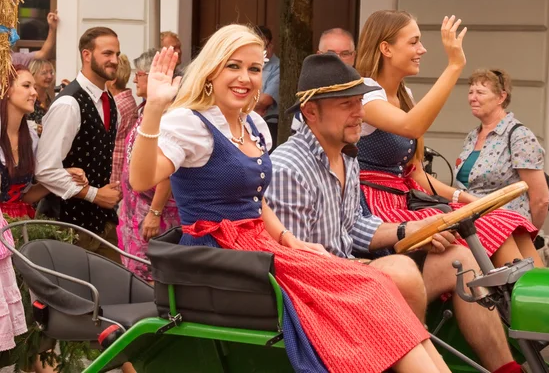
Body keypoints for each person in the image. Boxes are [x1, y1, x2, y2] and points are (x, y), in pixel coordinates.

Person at [129, 25, 452, 373]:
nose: (246, 78)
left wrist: (289, 239)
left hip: (259, 246)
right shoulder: (190, 123)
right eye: (233, 66)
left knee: (376, 285)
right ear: (211, 70)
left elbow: (254, 200)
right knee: (366, 288)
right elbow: (142, 178)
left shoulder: (252, 124)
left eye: (254, 69)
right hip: (218, 255)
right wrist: (156, 108)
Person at [267, 52, 523, 373]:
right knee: (399, 270)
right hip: (318, 299)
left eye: (360, 102)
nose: (360, 113)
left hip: (346, 279)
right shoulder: (290, 167)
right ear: (311, 112)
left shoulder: (346, 156)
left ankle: (506, 368)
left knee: (459, 260)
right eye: (347, 104)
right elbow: (298, 266)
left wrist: (412, 231)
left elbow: (356, 226)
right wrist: (365, 266)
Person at [353, 10, 542, 269]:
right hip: (374, 209)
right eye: (413, 42)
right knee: (486, 229)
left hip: (404, 200)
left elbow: (416, 175)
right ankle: (517, 302)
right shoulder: (365, 92)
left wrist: (471, 201)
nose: (422, 49)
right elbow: (411, 126)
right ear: (385, 48)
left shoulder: (404, 94)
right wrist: (454, 66)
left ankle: (532, 303)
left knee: (506, 220)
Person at [0, 64, 87, 372]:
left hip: (23, 225)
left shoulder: (31, 138)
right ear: (7, 90)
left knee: (31, 309)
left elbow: (25, 195)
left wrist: (61, 178)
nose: (34, 91)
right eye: (26, 86)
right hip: (2, 229)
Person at [35, 27, 122, 264]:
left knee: (118, 295)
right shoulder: (69, 104)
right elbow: (45, 170)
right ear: (87, 54)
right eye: (107, 53)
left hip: (102, 223)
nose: (115, 60)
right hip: (68, 226)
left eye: (117, 54)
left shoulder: (110, 101)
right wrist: (95, 194)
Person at [456, 68, 549, 229]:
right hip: (470, 224)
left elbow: (541, 200)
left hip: (505, 228)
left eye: (480, 92)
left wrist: (529, 236)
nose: (472, 98)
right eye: (470, 92)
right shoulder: (472, 136)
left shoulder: (519, 136)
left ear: (501, 97)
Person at [117, 49, 179, 282]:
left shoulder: (167, 115)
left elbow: (168, 171)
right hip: (136, 209)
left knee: (150, 279)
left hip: (154, 215)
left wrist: (154, 212)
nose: (135, 79)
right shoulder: (147, 109)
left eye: (140, 74)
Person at [109, 54, 138, 184]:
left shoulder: (117, 106)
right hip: (120, 177)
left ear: (113, 79)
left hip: (113, 177)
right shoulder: (126, 100)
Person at [27, 59, 55, 135]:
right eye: (44, 73)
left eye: (51, 72)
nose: (49, 76)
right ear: (33, 74)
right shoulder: (28, 98)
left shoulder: (49, 97)